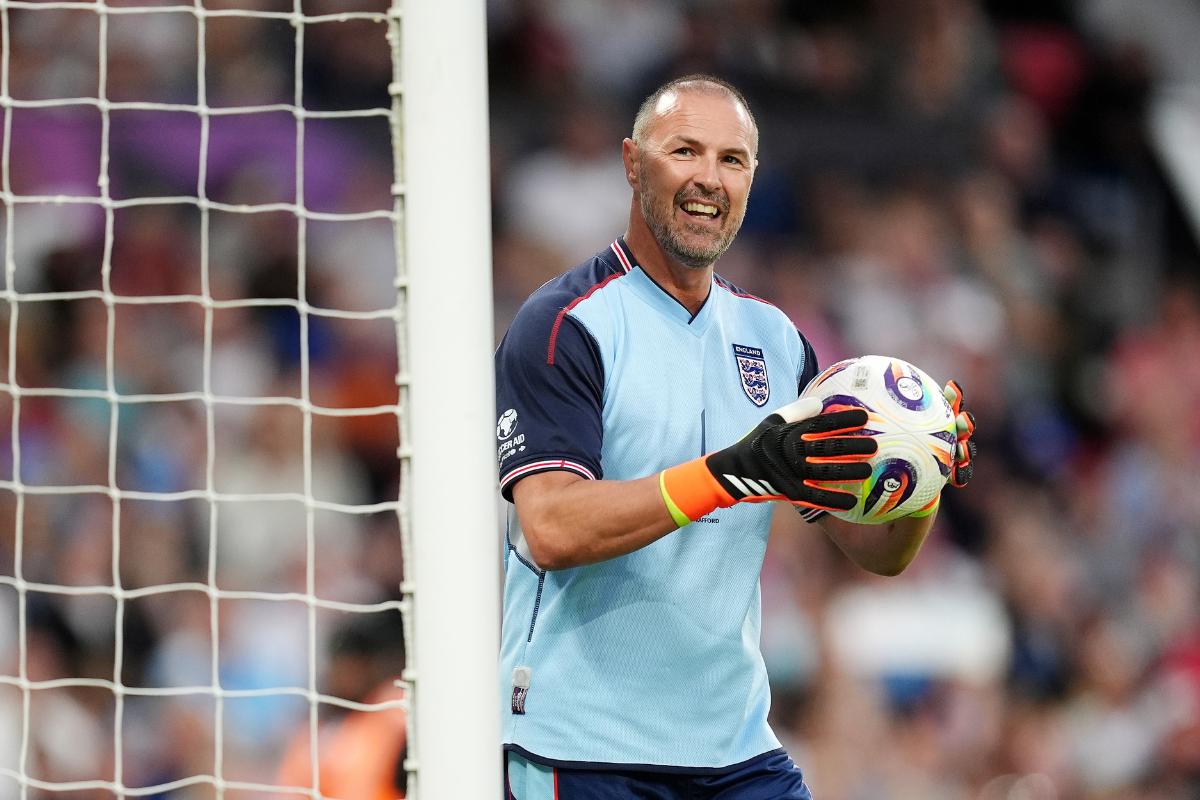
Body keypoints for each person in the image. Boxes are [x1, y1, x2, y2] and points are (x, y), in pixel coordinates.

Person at [494, 75, 976, 799]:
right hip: (582, 745)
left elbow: (874, 552)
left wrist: (922, 482)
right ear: (631, 163)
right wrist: (727, 473)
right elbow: (554, 525)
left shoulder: (778, 342)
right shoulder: (565, 323)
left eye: (732, 160)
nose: (707, 180)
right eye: (683, 151)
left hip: (734, 748)